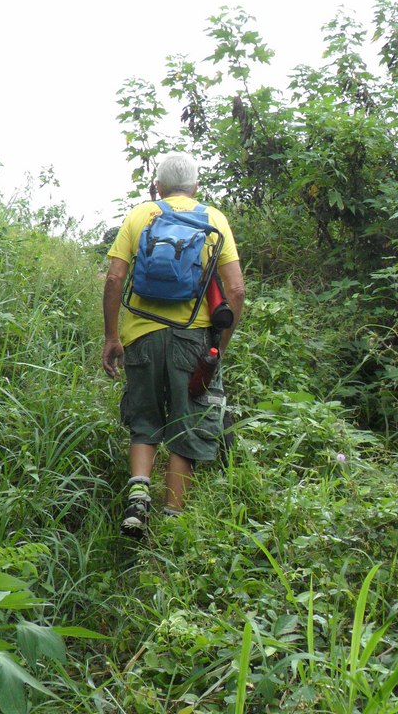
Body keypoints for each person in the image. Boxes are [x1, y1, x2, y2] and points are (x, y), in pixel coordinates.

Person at [102, 153, 245, 537]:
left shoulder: (140, 215)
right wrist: (219, 347)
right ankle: (171, 523)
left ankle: (138, 498)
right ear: (195, 187)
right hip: (193, 338)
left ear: (158, 187)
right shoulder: (214, 219)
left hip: (141, 336)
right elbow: (236, 290)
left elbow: (114, 279)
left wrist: (112, 336)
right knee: (188, 423)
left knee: (144, 419)